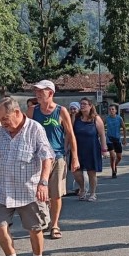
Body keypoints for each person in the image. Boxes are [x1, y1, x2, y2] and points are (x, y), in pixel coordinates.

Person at [0, 97, 54, 256]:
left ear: (17, 112)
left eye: (5, 118)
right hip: (4, 189)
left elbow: (47, 157)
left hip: (29, 190)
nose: (2, 123)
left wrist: (43, 183)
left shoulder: (35, 129)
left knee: (35, 229)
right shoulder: (2, 132)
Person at [27, 80, 79, 240]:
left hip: (57, 157)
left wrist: (75, 158)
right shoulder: (32, 111)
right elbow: (25, 133)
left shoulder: (61, 111)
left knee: (56, 194)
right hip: (37, 159)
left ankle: (55, 224)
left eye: (41, 91)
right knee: (39, 194)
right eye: (36, 91)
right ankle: (44, 220)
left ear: (50, 93)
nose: (37, 94)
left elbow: (70, 134)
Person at [72, 97, 108, 202]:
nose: (82, 106)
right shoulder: (76, 118)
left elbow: (102, 135)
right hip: (78, 149)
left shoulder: (96, 119)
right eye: (81, 104)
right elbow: (70, 133)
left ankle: (93, 193)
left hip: (92, 148)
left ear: (90, 106)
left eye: (84, 104)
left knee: (91, 173)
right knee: (76, 173)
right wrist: (67, 147)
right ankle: (83, 189)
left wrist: (104, 149)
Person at [105, 104, 127, 178]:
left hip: (117, 139)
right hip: (109, 139)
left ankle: (115, 165)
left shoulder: (119, 118)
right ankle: (113, 171)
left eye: (112, 109)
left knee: (119, 157)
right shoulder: (107, 119)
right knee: (112, 156)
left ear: (116, 111)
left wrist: (124, 138)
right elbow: (101, 126)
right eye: (110, 109)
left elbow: (124, 128)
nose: (111, 111)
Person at [65, 102, 81, 195]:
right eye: (71, 109)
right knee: (70, 168)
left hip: (80, 145)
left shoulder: (81, 118)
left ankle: (79, 187)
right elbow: (68, 133)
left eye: (74, 109)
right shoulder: (67, 118)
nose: (73, 111)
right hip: (70, 145)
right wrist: (66, 146)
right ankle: (69, 188)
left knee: (79, 168)